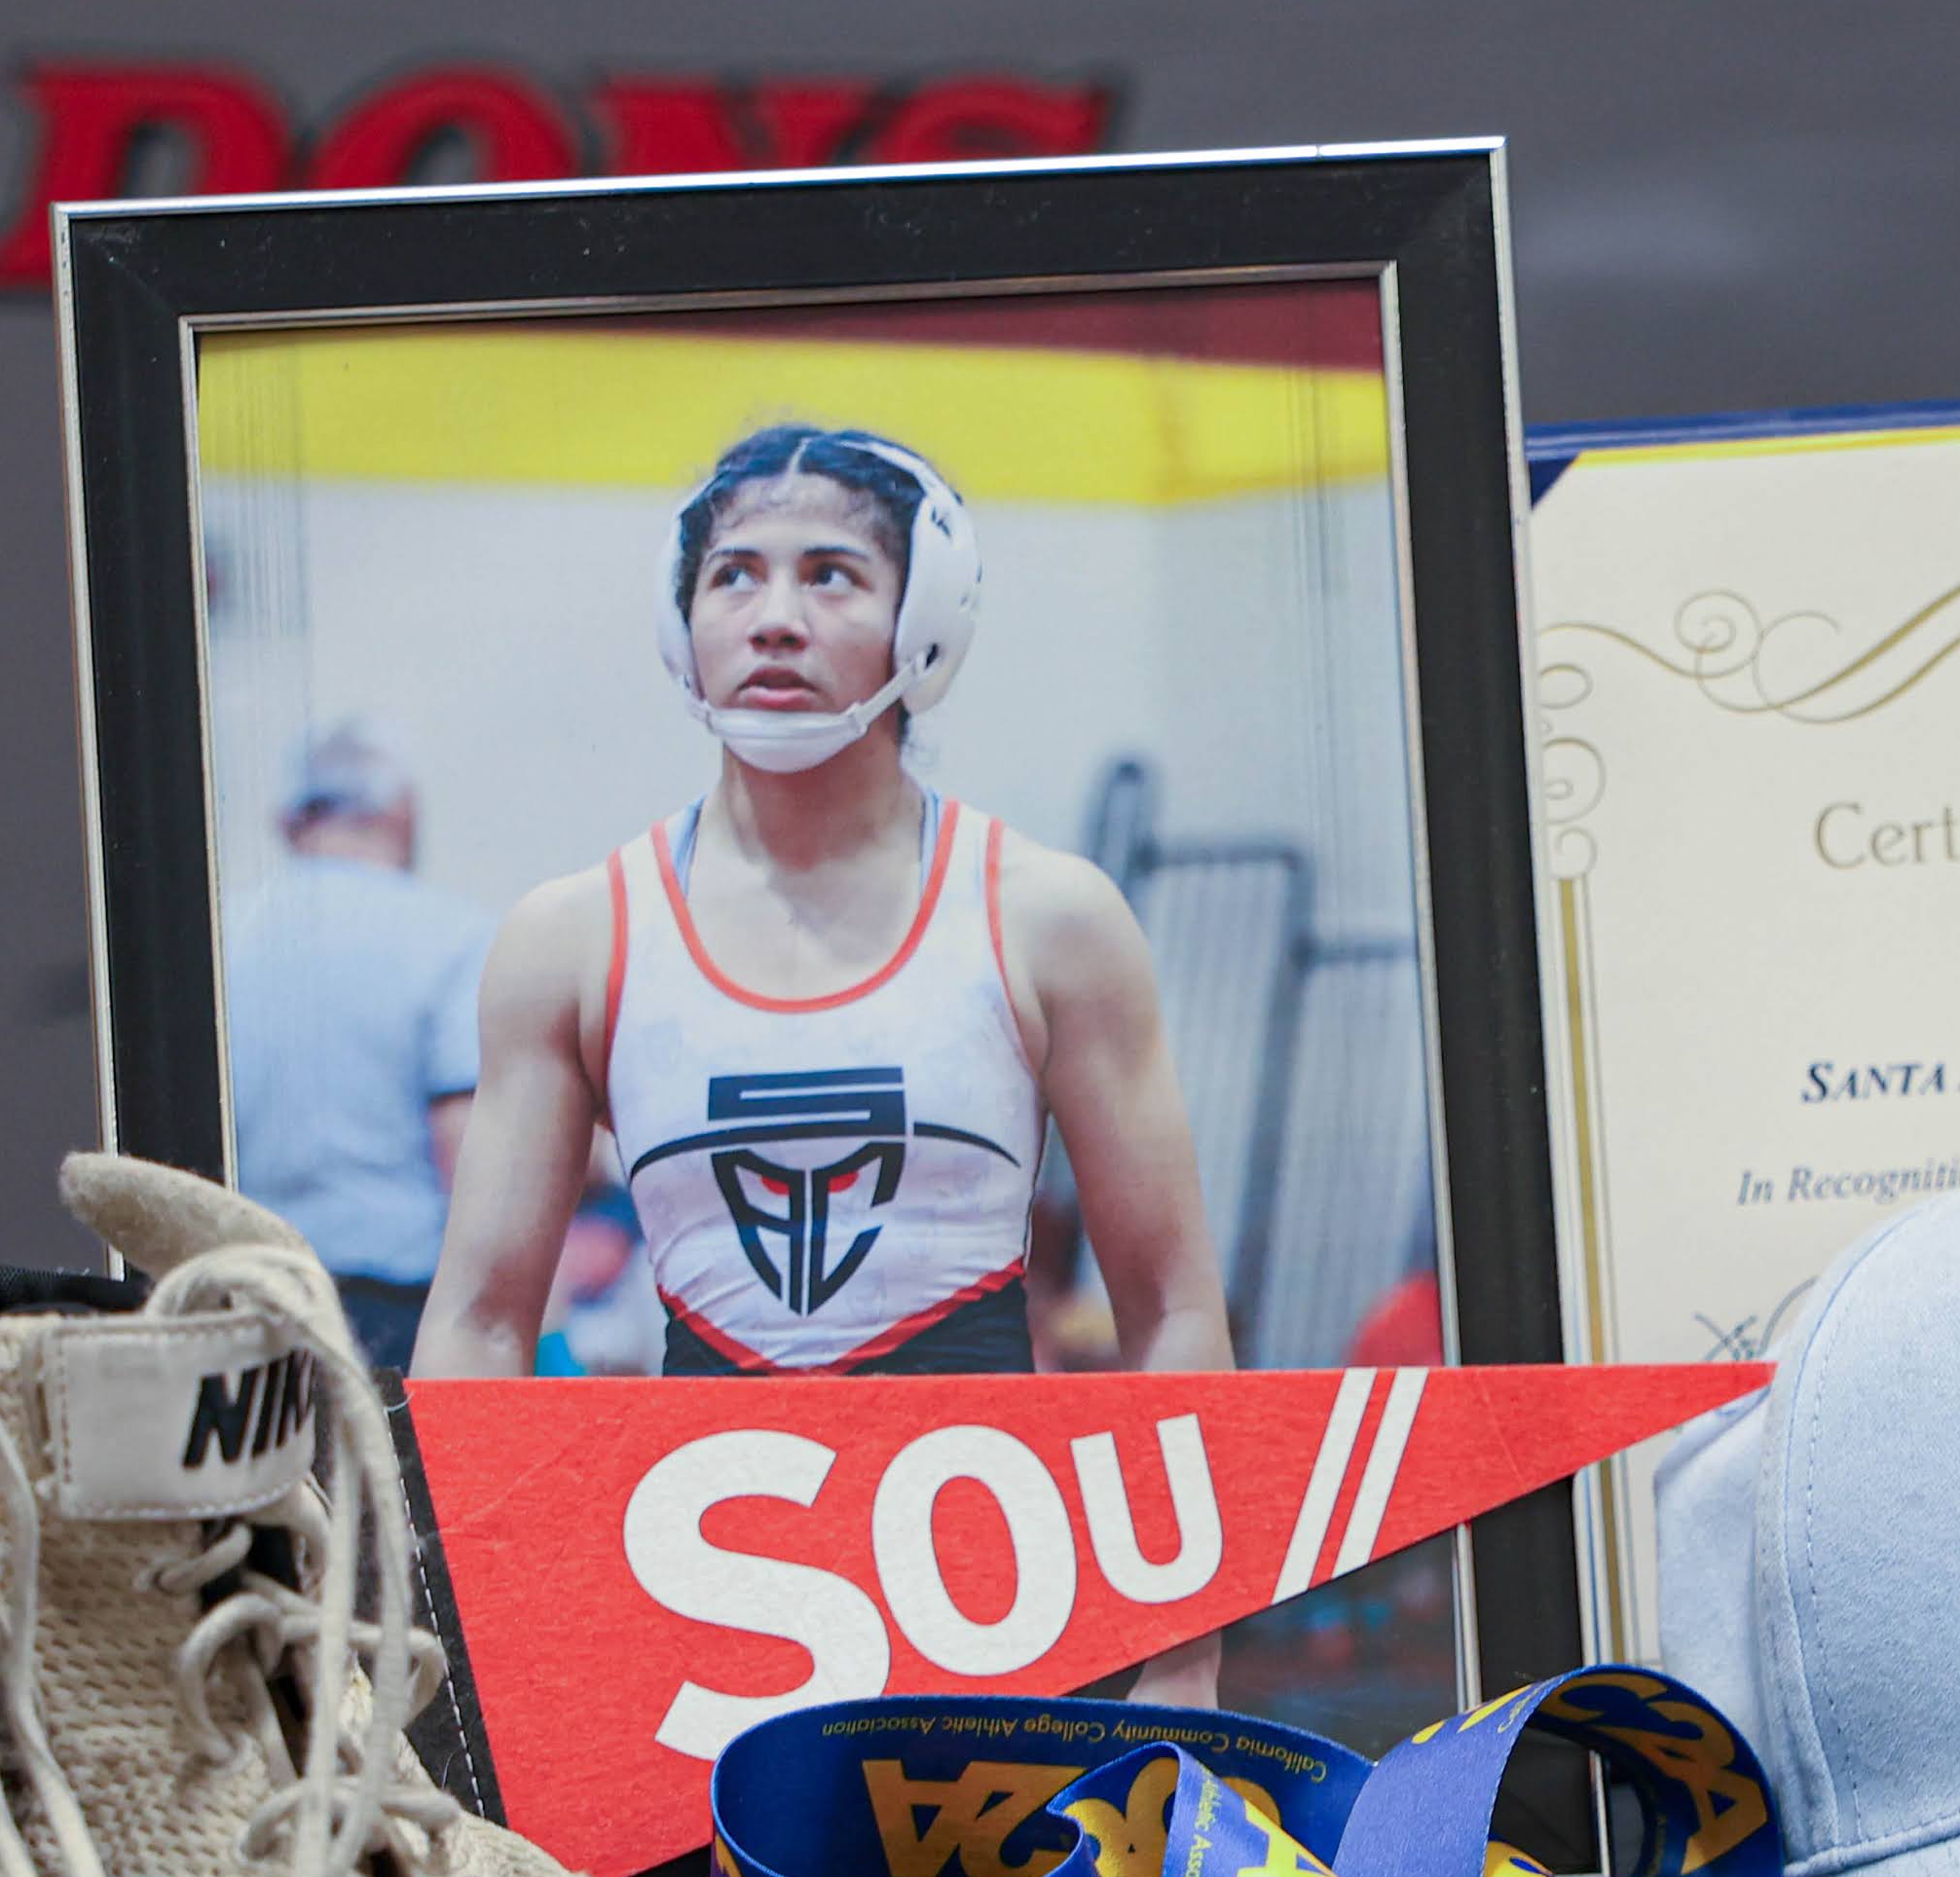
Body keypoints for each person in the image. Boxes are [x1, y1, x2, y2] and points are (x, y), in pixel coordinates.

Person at [421, 423, 1231, 1695]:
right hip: (701, 1603)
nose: (773, 618)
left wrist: (1182, 1676)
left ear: (929, 620)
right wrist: (474, 1684)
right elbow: (476, 1324)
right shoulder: (571, 937)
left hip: (991, 1600)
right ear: (677, 620)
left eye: (831, 575)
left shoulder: (1047, 919)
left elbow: (1173, 1306)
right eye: (732, 575)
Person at [219, 722, 490, 1373]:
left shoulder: (221, 936)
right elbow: (471, 1155)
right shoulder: (454, 936)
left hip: (240, 1305)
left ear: (287, 824)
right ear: (401, 816)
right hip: (397, 1314)